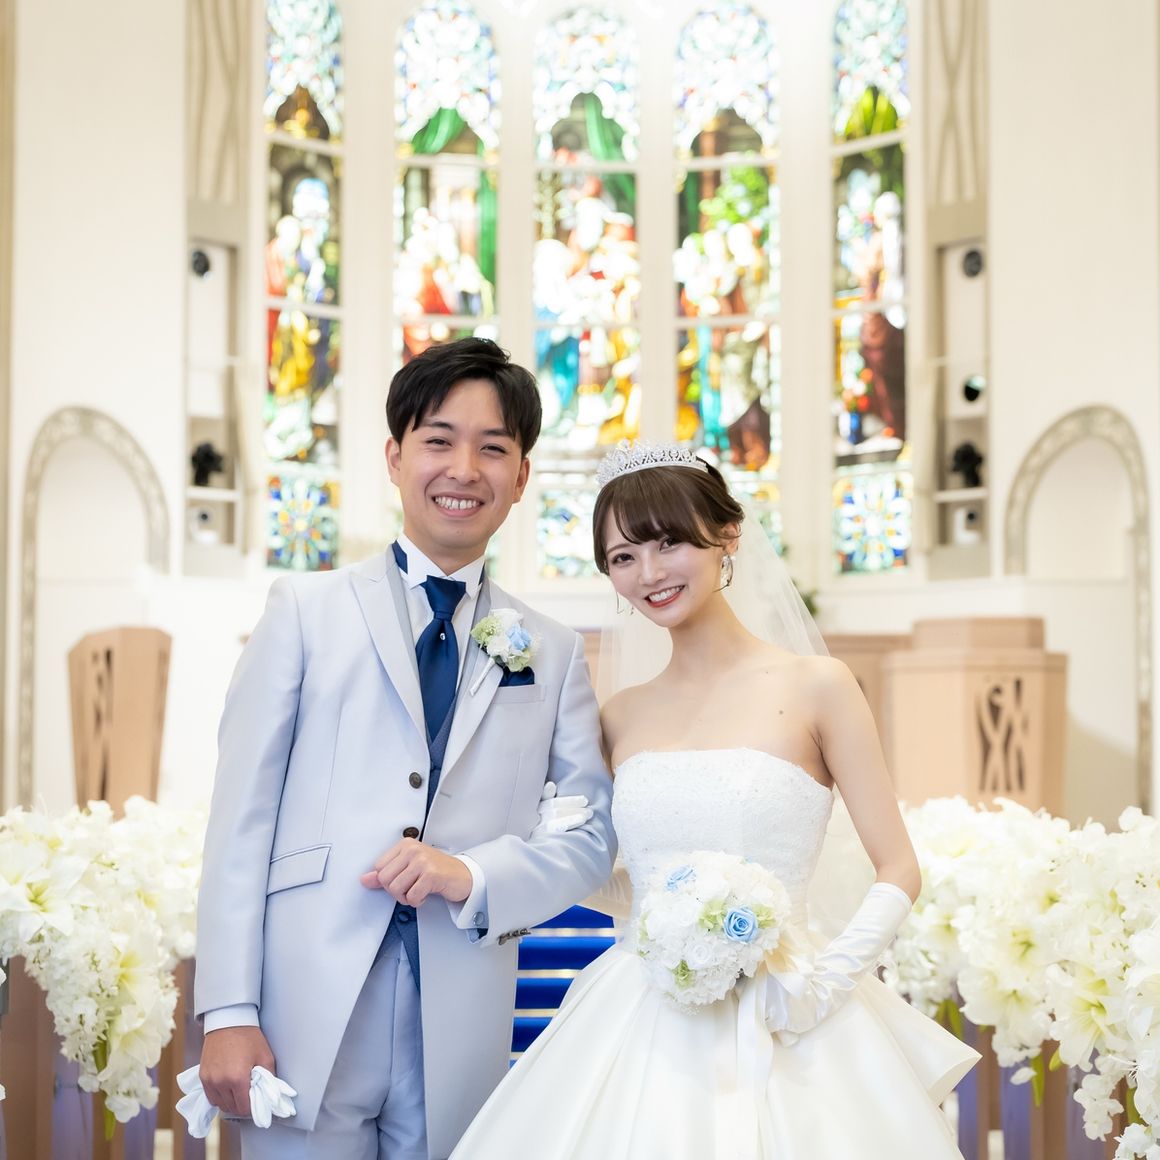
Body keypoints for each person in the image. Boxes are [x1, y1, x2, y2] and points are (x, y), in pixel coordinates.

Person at [452, 441, 979, 1159]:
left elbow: (898, 867)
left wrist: (822, 987)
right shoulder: (619, 715)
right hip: (642, 1008)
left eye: (668, 542)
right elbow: (620, 878)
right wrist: (579, 864)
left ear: (727, 535)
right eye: (623, 556)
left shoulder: (819, 687)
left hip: (789, 1008)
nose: (648, 573)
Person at [195, 337, 617, 1159]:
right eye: (438, 441)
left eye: (492, 448)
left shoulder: (554, 650)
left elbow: (590, 838)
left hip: (460, 1015)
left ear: (521, 477)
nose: (463, 469)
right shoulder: (304, 612)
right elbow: (239, 823)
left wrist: (477, 875)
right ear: (394, 458)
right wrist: (229, 1012)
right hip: (302, 1014)